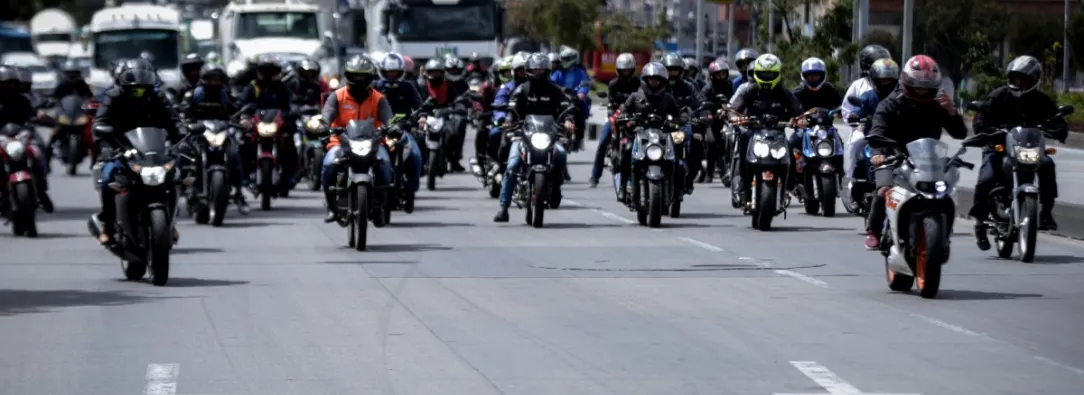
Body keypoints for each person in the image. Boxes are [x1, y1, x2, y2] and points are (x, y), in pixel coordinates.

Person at [863, 55, 968, 249]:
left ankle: (943, 236)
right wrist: (878, 153)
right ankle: (874, 230)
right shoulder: (891, 104)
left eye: (926, 86)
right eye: (917, 85)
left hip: (928, 160)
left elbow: (959, 133)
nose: (922, 90)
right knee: (884, 190)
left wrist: (953, 112)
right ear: (907, 82)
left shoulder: (939, 105)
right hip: (893, 157)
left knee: (947, 193)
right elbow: (877, 130)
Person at [969, 55, 1066, 242]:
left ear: (1033, 80)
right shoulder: (999, 95)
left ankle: (1046, 212)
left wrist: (1059, 129)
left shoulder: (1042, 100)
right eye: (1015, 77)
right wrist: (983, 127)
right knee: (986, 177)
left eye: (1023, 79)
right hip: (999, 148)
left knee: (1047, 164)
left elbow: (1057, 119)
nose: (1018, 82)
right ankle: (979, 222)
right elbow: (982, 115)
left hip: (1029, 149)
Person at [91, 59, 187, 245]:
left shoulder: (158, 98)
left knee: (175, 177)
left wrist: (182, 139)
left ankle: (171, 221)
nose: (139, 93)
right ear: (124, 85)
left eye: (144, 88)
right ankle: (108, 226)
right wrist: (106, 148)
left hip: (152, 149)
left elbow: (174, 122)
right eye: (135, 89)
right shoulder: (113, 97)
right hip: (121, 149)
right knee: (108, 177)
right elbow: (100, 124)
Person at [492, 53, 574, 222]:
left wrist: (568, 120)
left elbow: (565, 105)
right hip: (525, 135)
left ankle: (556, 187)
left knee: (562, 155)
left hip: (549, 135)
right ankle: (503, 208)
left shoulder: (554, 89)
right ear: (528, 71)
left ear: (548, 71)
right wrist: (508, 121)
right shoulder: (522, 89)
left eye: (542, 70)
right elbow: (512, 108)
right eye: (535, 70)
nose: (538, 73)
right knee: (512, 165)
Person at [319, 56, 395, 222]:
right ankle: (331, 206)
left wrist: (393, 127)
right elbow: (327, 115)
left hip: (372, 143)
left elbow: (389, 118)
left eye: (363, 75)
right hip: (341, 142)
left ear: (370, 77)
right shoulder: (337, 96)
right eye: (355, 75)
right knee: (329, 165)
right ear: (348, 75)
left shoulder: (378, 98)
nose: (359, 79)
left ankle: (380, 206)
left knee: (385, 166)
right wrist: (324, 125)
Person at [728, 54, 805, 200]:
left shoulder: (783, 92)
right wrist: (735, 117)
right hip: (753, 133)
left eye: (771, 74)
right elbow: (733, 108)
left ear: (778, 74)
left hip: (778, 134)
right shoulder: (749, 90)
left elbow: (798, 111)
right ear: (756, 73)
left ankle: (789, 186)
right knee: (743, 150)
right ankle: (743, 186)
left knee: (791, 154)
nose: (767, 76)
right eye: (764, 73)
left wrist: (800, 120)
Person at [182, 63, 250, 213]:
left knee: (234, 156)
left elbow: (238, 109)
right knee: (185, 156)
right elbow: (183, 112)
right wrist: (186, 123)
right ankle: (184, 187)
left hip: (222, 131)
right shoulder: (194, 95)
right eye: (210, 78)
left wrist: (244, 119)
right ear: (203, 79)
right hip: (199, 133)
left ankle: (239, 193)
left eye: (217, 79)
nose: (213, 82)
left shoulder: (226, 94)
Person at [610, 61, 682, 201]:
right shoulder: (635, 97)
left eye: (657, 80)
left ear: (663, 81)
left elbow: (678, 113)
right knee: (626, 151)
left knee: (677, 159)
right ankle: (624, 188)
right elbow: (623, 111)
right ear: (645, 80)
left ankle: (677, 191)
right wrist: (624, 119)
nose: (654, 83)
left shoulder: (667, 97)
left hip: (662, 135)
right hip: (639, 133)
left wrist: (680, 119)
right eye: (651, 80)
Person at [842, 58, 899, 208]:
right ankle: (851, 179)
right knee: (855, 143)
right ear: (874, 79)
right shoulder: (869, 96)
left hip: (896, 138)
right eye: (882, 80)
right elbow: (858, 107)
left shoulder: (900, 96)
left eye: (889, 80)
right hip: (871, 136)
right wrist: (855, 115)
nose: (886, 83)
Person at [237, 54, 297, 190]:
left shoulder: (282, 88)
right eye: (265, 70)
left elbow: (291, 104)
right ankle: (244, 175)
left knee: (289, 143)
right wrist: (245, 116)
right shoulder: (252, 88)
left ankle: (289, 176)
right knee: (243, 143)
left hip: (277, 124)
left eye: (271, 71)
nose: (268, 74)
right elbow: (242, 103)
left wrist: (292, 113)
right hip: (256, 125)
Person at [0, 65, 53, 213]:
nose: (7, 87)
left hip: (21, 136)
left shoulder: (23, 100)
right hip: (1, 138)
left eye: (10, 83)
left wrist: (41, 118)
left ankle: (42, 192)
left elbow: (32, 115)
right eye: (4, 83)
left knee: (39, 153)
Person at [372, 52, 424, 201]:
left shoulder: (408, 86)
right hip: (377, 132)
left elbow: (419, 106)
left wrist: (421, 117)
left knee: (415, 155)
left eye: (395, 72)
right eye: (388, 72)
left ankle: (411, 190)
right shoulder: (374, 87)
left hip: (401, 130)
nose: (391, 75)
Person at [590, 52, 640, 188]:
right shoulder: (613, 84)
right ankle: (595, 175)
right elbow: (611, 103)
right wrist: (613, 117)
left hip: (634, 117)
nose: (625, 73)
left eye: (628, 70)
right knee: (603, 141)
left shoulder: (638, 83)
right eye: (623, 70)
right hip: (616, 117)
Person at [661, 52, 703, 192]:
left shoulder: (688, 86)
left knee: (697, 144)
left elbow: (699, 103)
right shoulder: (657, 86)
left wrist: (701, 115)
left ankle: (689, 178)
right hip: (661, 127)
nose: (672, 73)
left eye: (675, 70)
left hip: (681, 127)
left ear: (681, 71)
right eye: (669, 69)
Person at [417, 57, 468, 172]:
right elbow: (416, 101)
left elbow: (455, 99)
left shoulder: (448, 86)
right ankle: (420, 162)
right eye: (432, 72)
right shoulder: (422, 86)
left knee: (453, 134)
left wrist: (459, 105)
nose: (435, 75)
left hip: (444, 115)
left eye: (438, 72)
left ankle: (454, 159)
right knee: (418, 137)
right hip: (426, 116)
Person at [788, 57, 843, 152]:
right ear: (804, 76)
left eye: (816, 75)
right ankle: (793, 166)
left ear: (822, 75)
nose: (813, 78)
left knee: (840, 148)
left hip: (827, 129)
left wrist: (840, 111)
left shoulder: (830, 89)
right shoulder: (797, 92)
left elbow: (840, 105)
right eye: (810, 75)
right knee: (789, 146)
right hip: (804, 130)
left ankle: (841, 167)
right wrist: (794, 120)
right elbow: (789, 111)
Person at [487, 53, 531, 164]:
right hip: (513, 124)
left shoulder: (537, 86)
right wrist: (502, 118)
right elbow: (499, 102)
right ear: (514, 71)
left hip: (534, 123)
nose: (522, 72)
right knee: (500, 140)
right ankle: (498, 165)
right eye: (519, 70)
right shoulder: (508, 87)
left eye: (525, 69)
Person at [698, 58, 736, 183]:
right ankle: (709, 172)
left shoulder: (730, 85)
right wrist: (712, 112)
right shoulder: (708, 88)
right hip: (713, 120)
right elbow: (702, 104)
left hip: (728, 118)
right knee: (712, 142)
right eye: (718, 74)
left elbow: (736, 100)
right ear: (712, 76)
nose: (721, 76)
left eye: (723, 73)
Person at [551, 47, 591, 151]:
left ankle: (579, 137)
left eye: (566, 59)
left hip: (575, 97)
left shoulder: (580, 72)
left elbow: (585, 83)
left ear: (573, 59)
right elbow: (552, 83)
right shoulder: (559, 73)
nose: (563, 62)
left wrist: (581, 93)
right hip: (561, 97)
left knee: (582, 108)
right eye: (562, 59)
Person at [841, 44, 892, 121]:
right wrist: (854, 118)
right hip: (863, 129)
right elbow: (847, 110)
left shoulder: (896, 85)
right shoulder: (858, 85)